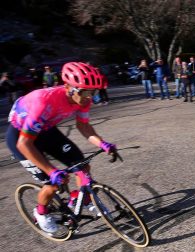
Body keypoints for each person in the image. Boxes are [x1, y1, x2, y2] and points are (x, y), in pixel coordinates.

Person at [6, 62, 118, 232]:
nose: (89, 97)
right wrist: (52, 171)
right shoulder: (43, 101)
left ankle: (80, 200)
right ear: (68, 87)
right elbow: (24, 143)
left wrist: (102, 143)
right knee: (53, 184)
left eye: (93, 92)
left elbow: (84, 126)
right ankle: (41, 212)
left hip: (46, 130)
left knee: (82, 166)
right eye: (85, 92)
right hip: (20, 137)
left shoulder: (82, 98)